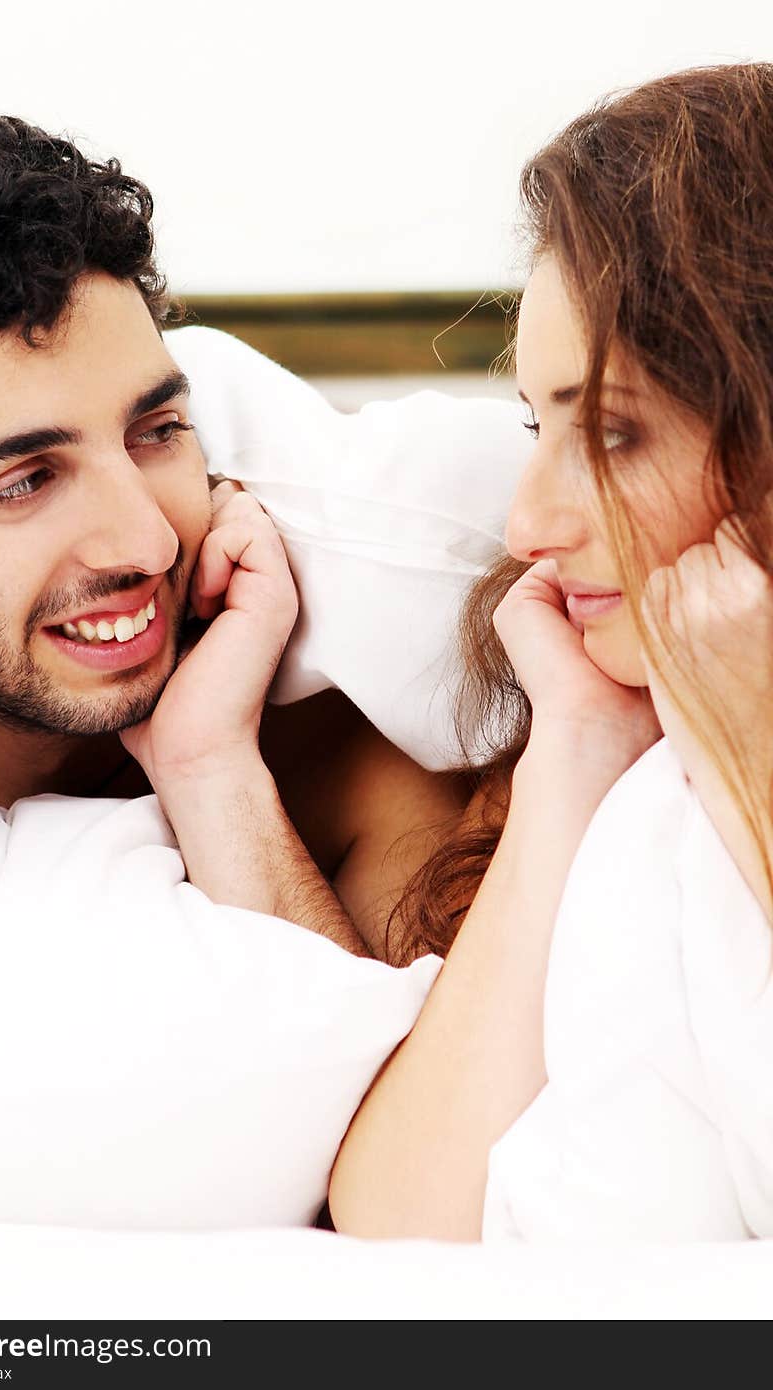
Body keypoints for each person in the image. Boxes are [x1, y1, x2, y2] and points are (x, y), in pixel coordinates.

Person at [329, 62, 773, 1241]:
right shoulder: (638, 781)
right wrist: (574, 753)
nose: (528, 525)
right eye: (538, 425)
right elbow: (403, 1219)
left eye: (615, 431)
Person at [0, 104, 471, 959]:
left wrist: (213, 775)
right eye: (24, 481)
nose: (149, 544)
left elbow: (425, 1094)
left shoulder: (348, 773)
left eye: (157, 431)